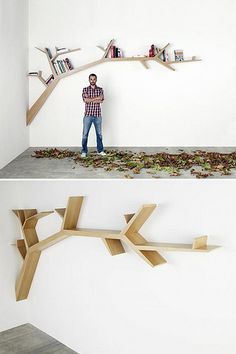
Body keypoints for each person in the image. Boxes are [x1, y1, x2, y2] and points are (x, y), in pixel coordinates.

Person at [81, 73, 106, 157]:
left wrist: (91, 99)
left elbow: (101, 100)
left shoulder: (100, 89)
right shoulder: (85, 89)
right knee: (85, 134)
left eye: (94, 79)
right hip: (88, 115)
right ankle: (84, 151)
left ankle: (100, 150)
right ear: (89, 80)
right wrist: (96, 98)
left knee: (99, 134)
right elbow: (86, 100)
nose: (92, 81)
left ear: (96, 80)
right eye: (91, 79)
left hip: (97, 115)